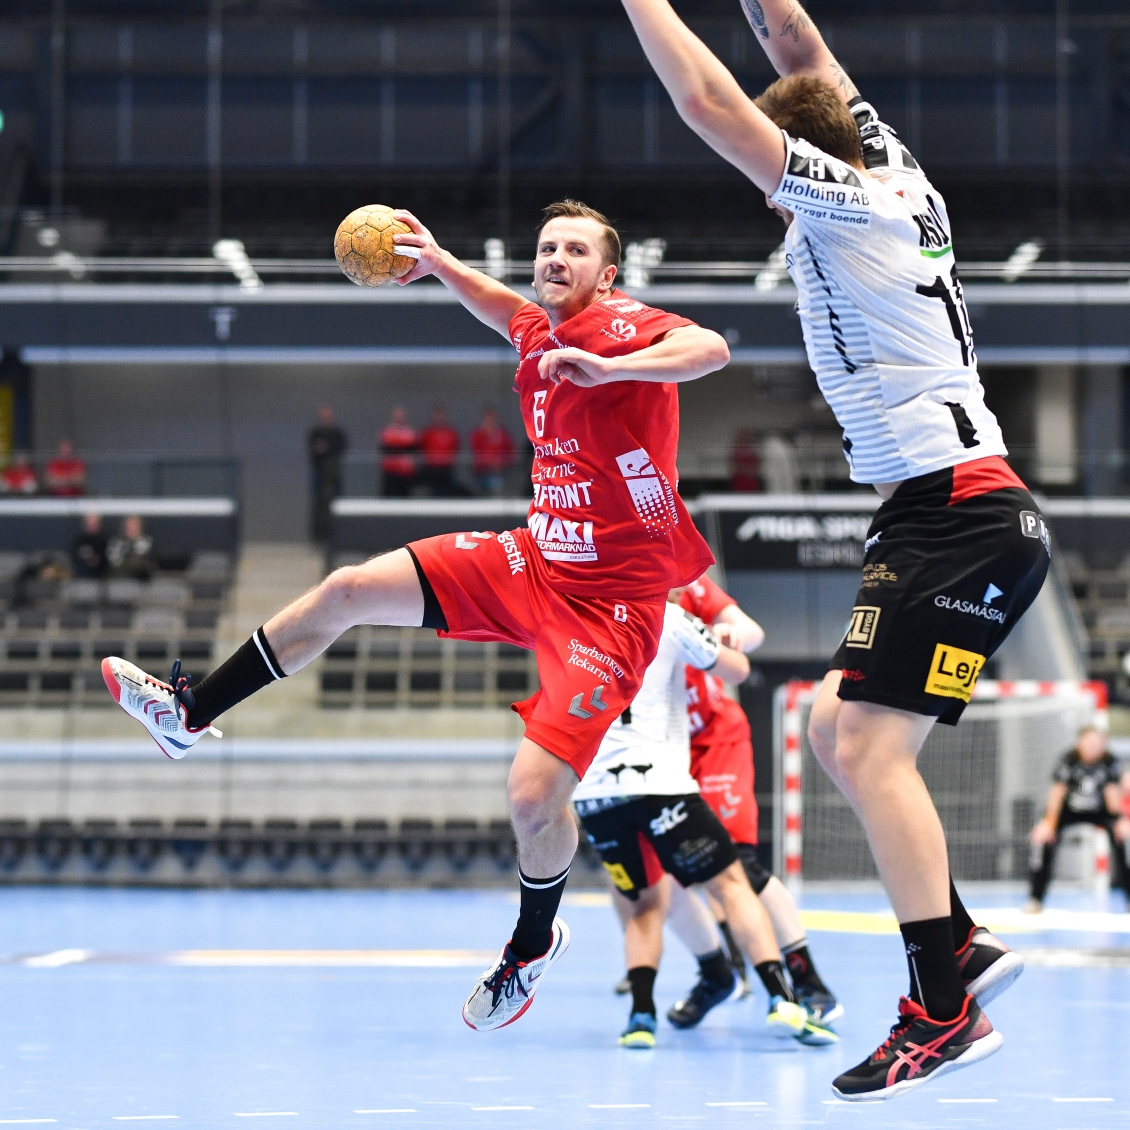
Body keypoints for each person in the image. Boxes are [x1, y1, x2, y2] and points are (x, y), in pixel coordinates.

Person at [101, 198, 729, 1032]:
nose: (555, 257)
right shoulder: (537, 330)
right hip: (534, 562)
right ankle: (189, 716)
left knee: (532, 797)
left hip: (610, 610)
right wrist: (437, 263)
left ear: (607, 274)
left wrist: (613, 371)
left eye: (576, 250)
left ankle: (530, 947)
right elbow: (503, 309)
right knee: (346, 590)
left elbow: (711, 349)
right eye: (547, 246)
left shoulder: (623, 327)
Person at [620, 0, 1050, 1100]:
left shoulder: (846, 203)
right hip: (947, 514)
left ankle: (939, 1010)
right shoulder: (892, 167)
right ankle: (958, 940)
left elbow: (707, 101)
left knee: (865, 748)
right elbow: (798, 46)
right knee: (829, 723)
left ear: (801, 165)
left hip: (956, 514)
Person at [574, 595, 836, 1049]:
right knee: (721, 883)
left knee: (651, 897)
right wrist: (717, 640)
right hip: (659, 774)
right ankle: (761, 990)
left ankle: (644, 1015)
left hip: (604, 784)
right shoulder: (665, 612)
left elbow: (750, 630)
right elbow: (738, 667)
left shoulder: (573, 614)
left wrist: (733, 631)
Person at [665, 573, 840, 1028]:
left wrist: (731, 633)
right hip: (661, 749)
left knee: (738, 865)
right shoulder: (604, 585)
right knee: (658, 880)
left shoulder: (685, 582)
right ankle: (719, 974)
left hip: (715, 740)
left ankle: (810, 984)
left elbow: (751, 630)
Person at [1026, 727, 1129, 913]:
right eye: (1090, 743)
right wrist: (1049, 823)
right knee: (1043, 840)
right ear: (1079, 743)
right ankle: (1035, 899)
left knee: (1124, 841)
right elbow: (1058, 793)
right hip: (1069, 809)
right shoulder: (1068, 760)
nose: (1093, 747)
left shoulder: (1109, 761)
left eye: (1098, 743)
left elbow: (1112, 794)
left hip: (1100, 810)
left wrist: (1119, 820)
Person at [307, 406, 347, 542]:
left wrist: (327, 448)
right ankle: (318, 535)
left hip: (334, 471)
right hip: (319, 471)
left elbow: (342, 448)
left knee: (336, 502)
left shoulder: (337, 433)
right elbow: (311, 449)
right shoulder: (315, 433)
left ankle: (336, 533)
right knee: (319, 503)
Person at [471, 408, 517, 496]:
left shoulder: (502, 434)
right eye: (487, 420)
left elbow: (511, 452)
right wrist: (489, 461)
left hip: (499, 472)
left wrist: (502, 462)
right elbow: (476, 453)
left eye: (491, 420)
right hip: (481, 472)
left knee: (496, 483)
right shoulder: (477, 434)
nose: (489, 422)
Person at [418, 407, 462, 497]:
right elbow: (421, 448)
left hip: (446, 469)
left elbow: (455, 449)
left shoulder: (451, 433)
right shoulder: (427, 433)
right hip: (431, 469)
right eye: (437, 415)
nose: (439, 418)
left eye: (441, 415)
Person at [379, 407, 417, 497]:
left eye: (401, 415)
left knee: (405, 496)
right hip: (391, 470)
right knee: (390, 496)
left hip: (405, 472)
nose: (399, 417)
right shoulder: (388, 431)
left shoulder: (409, 432)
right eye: (397, 415)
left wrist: (397, 446)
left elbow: (412, 448)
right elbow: (385, 448)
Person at [107, 515, 154, 581]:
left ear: (140, 527)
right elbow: (114, 562)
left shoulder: (148, 542)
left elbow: (145, 562)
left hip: (142, 581)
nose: (131, 529)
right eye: (129, 526)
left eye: (134, 526)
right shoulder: (116, 543)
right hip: (120, 580)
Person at [72, 513, 110, 579]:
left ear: (99, 524)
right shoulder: (79, 541)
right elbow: (74, 557)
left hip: (101, 578)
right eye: (89, 524)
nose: (92, 526)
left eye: (94, 524)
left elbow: (106, 560)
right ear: (85, 525)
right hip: (81, 578)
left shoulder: (105, 541)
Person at [729, 428, 761, 492]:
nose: (746, 438)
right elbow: (734, 467)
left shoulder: (753, 450)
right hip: (739, 482)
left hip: (751, 482)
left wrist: (748, 470)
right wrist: (744, 469)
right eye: (745, 436)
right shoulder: (736, 449)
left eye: (748, 436)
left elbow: (755, 467)